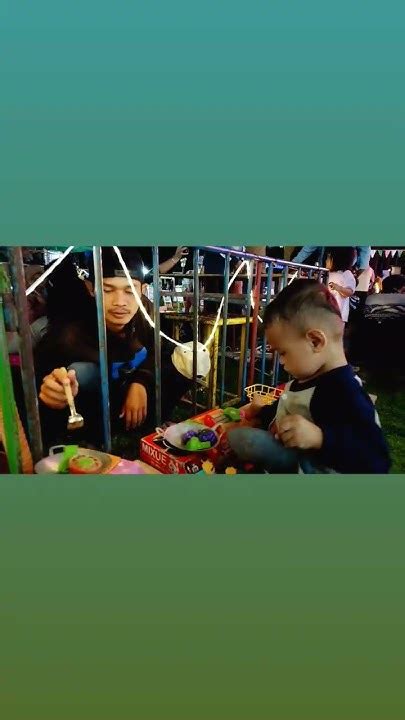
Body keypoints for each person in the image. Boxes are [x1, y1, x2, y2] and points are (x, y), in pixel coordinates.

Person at [226, 279, 390, 473]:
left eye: (283, 352)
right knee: (239, 439)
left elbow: (377, 459)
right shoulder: (308, 377)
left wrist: (320, 438)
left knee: (242, 440)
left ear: (315, 341)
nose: (281, 362)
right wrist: (261, 412)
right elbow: (288, 407)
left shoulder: (345, 392)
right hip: (293, 458)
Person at [35, 248, 191, 449]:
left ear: (142, 290)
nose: (120, 303)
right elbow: (40, 385)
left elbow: (163, 349)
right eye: (108, 290)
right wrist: (51, 394)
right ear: (91, 289)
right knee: (81, 371)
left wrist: (141, 381)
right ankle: (98, 436)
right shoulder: (68, 335)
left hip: (134, 395)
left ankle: (152, 421)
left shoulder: (145, 313)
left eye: (130, 290)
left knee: (188, 358)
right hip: (99, 411)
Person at [325, 247, 356, 323]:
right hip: (326, 311)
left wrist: (339, 288)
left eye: (328, 258)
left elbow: (349, 292)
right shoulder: (328, 273)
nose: (326, 261)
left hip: (339, 313)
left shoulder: (346, 274)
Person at [292, 245, 371, 271]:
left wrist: (361, 268)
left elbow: (365, 249)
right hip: (324, 266)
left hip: (344, 267)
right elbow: (308, 248)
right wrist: (293, 264)